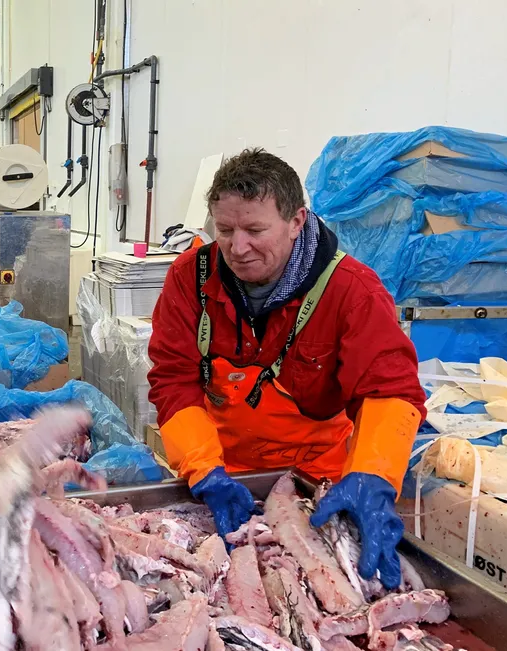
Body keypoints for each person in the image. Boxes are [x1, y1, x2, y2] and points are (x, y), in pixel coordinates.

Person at [147, 148, 425, 589]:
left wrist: (373, 475)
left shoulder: (351, 291)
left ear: (296, 221)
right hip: (221, 473)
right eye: (225, 230)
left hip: (320, 480)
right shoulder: (190, 278)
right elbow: (173, 380)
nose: (238, 248)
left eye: (255, 229)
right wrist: (203, 469)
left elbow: (388, 389)